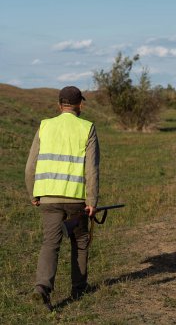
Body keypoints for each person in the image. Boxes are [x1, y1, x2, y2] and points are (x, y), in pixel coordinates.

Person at [25, 86, 100, 310]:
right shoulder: (87, 128)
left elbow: (30, 166)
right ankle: (79, 288)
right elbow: (92, 170)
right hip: (76, 198)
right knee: (80, 241)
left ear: (59, 105)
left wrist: (33, 193)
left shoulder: (45, 125)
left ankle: (42, 288)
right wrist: (92, 201)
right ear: (80, 105)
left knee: (50, 243)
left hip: (48, 196)